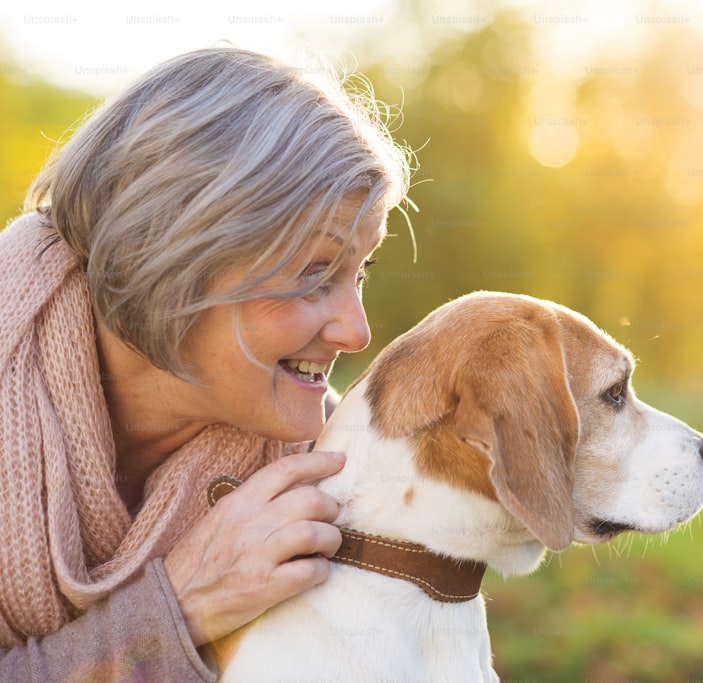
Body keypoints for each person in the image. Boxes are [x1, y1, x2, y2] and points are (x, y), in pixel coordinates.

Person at [0, 46, 411, 681]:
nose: (357, 332)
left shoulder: (330, 466)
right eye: (314, 274)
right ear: (168, 262)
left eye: (360, 272)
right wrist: (177, 613)